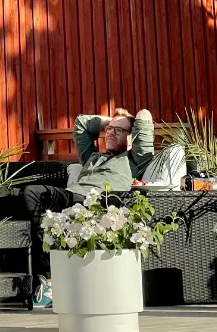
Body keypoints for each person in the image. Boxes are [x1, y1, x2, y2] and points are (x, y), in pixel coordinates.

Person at [25, 108, 155, 305]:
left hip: (97, 203)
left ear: (131, 138)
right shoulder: (92, 157)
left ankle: (51, 283)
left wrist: (127, 123)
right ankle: (49, 277)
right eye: (109, 129)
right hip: (71, 196)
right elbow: (81, 123)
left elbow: (144, 115)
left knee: (66, 208)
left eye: (119, 131)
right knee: (32, 192)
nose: (110, 133)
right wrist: (112, 122)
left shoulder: (135, 160)